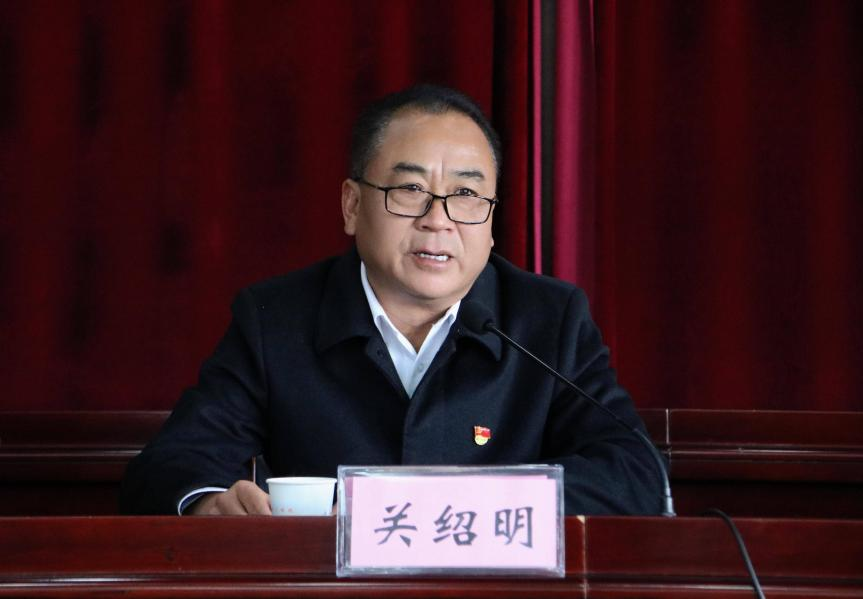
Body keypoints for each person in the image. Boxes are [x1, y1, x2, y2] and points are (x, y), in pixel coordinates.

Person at [120, 84, 663, 516]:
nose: (438, 219)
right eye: (410, 190)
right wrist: (210, 505)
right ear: (352, 205)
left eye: (466, 194)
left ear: (492, 217)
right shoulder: (276, 319)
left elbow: (633, 474)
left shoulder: (548, 320)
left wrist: (458, 507)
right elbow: (173, 465)